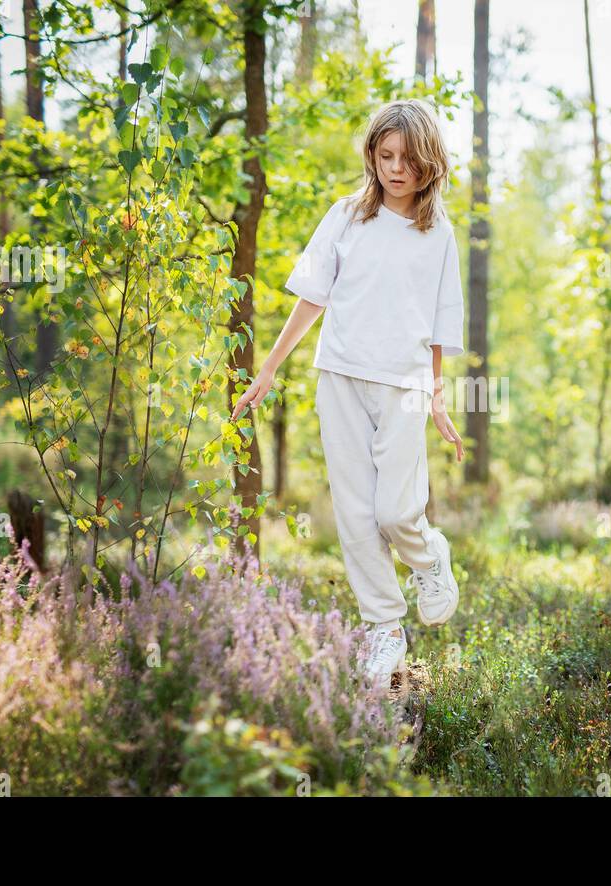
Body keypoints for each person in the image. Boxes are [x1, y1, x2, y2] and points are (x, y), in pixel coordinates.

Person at [230, 99, 465, 688]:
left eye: (408, 159)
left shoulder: (437, 233)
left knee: (395, 510)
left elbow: (440, 325)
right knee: (357, 517)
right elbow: (312, 297)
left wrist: (438, 396)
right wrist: (268, 370)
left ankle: (427, 556)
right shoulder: (345, 216)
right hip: (339, 376)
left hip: (406, 385)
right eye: (385, 156)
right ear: (372, 156)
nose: (395, 168)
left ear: (429, 162)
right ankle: (384, 627)